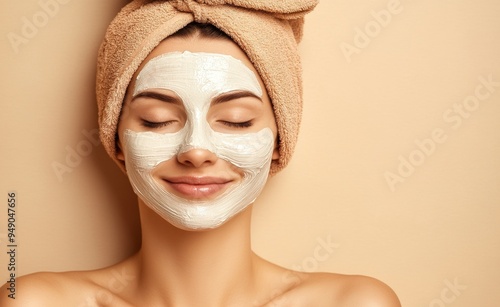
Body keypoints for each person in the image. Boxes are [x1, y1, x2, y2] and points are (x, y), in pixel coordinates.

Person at [1, 1, 401, 306]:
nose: (195, 150)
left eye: (237, 120)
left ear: (280, 142)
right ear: (117, 139)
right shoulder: (36, 301)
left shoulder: (354, 303)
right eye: (156, 120)